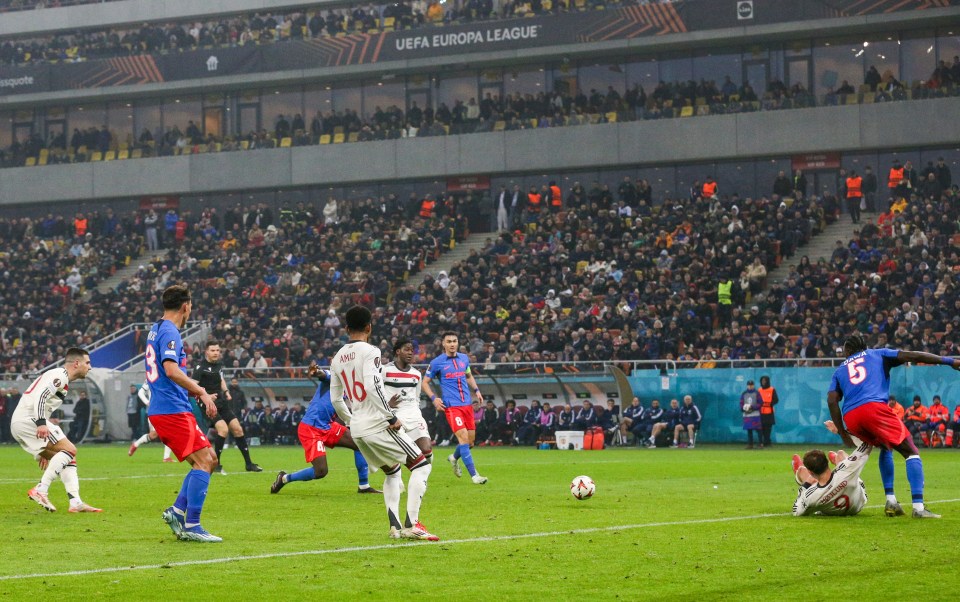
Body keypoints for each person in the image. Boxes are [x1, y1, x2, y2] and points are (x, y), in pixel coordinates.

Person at [329, 306, 438, 541]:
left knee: (393, 471)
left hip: (358, 428)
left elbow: (336, 400)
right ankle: (412, 524)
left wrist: (352, 420)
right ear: (369, 327)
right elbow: (373, 387)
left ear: (346, 328)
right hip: (377, 423)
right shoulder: (371, 351)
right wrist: (391, 416)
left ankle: (394, 526)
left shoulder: (337, 358)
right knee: (421, 465)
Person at [826, 333, 956, 519]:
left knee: (886, 447)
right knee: (911, 452)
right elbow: (913, 355)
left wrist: (842, 433)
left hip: (851, 417)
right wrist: (949, 361)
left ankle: (891, 501)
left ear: (846, 351)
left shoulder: (839, 370)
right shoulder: (877, 354)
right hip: (873, 408)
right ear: (865, 347)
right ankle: (919, 508)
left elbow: (832, 400)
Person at [147, 284, 223, 542]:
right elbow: (170, 370)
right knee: (205, 462)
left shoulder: (156, 328)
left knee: (209, 459)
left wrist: (193, 391)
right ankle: (192, 525)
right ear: (185, 306)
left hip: (168, 407)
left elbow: (167, 374)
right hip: (171, 411)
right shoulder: (170, 331)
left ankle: (177, 512)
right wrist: (200, 391)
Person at [12, 347, 101, 513]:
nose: (90, 367)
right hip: (28, 419)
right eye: (87, 363)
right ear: (76, 363)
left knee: (68, 457)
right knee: (70, 449)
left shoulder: (59, 377)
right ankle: (41, 489)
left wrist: (44, 447)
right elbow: (41, 397)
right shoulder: (60, 376)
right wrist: (41, 423)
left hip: (22, 421)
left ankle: (75, 502)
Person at [270, 362, 380, 495]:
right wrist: (316, 372)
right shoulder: (335, 377)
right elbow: (323, 375)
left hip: (328, 426)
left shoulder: (352, 385)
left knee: (359, 442)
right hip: (311, 428)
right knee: (321, 471)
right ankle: (284, 478)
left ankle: (364, 486)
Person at [422, 331, 488, 484]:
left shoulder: (464, 359)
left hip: (467, 405)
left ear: (457, 343)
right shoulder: (437, 362)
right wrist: (434, 399)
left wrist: (477, 391)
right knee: (463, 438)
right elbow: (424, 382)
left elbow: (469, 376)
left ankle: (454, 457)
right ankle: (474, 475)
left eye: (454, 341)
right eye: (449, 341)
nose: (452, 344)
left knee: (470, 442)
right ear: (443, 344)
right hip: (452, 407)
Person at [192, 340, 261, 473]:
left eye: (218, 350)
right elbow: (193, 387)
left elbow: (221, 379)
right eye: (213, 350)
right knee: (223, 430)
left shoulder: (219, 365)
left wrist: (226, 392)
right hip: (208, 403)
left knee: (238, 429)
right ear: (206, 352)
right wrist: (205, 396)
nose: (216, 353)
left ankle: (249, 464)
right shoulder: (200, 367)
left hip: (220, 400)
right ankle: (216, 464)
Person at [792, 421, 870, 517]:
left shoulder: (810, 496)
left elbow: (796, 511)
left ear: (811, 472)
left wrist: (805, 487)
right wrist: (840, 431)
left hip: (832, 509)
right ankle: (836, 460)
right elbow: (866, 444)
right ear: (827, 463)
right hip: (858, 504)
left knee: (802, 471)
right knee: (841, 455)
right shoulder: (845, 470)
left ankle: (800, 474)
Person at [383, 339, 432, 460]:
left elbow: (417, 397)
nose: (410, 353)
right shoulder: (385, 371)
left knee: (426, 450)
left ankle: (422, 477)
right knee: (398, 457)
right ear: (398, 352)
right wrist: (387, 404)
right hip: (395, 417)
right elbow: (375, 393)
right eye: (406, 350)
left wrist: (416, 411)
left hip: (414, 416)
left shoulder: (416, 374)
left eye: (412, 350)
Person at [128, 381, 174, 462]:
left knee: (157, 434)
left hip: (165, 410)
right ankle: (166, 457)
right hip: (155, 411)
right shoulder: (151, 378)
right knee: (162, 434)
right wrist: (147, 402)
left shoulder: (166, 377)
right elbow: (140, 392)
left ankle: (135, 445)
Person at [740, 380, 762, 449]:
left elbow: (761, 403)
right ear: (747, 385)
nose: (750, 386)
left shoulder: (757, 393)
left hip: (755, 414)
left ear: (753, 385)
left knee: (758, 429)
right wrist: (743, 408)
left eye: (751, 385)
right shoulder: (744, 393)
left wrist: (752, 407)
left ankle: (760, 443)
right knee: (749, 430)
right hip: (747, 415)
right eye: (749, 385)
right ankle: (750, 444)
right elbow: (741, 403)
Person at [758, 375, 778, 447]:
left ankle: (767, 442)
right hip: (761, 412)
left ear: (768, 381)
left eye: (765, 381)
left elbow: (776, 400)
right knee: (761, 428)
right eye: (762, 381)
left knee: (768, 428)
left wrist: (770, 404)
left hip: (769, 411)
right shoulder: (759, 390)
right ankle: (762, 442)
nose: (763, 382)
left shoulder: (772, 389)